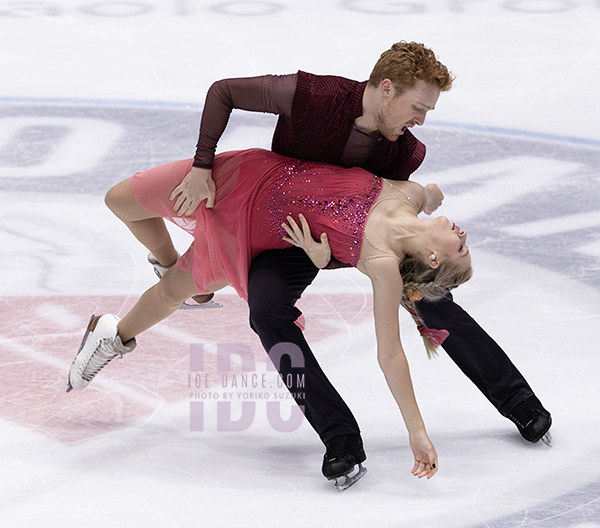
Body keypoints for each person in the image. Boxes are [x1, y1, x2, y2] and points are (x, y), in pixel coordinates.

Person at [106, 41, 552, 482]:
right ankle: (339, 436)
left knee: (430, 295)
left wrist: (334, 256)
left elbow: (395, 235)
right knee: (266, 314)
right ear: (386, 89)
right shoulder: (315, 97)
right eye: (416, 107)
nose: (419, 122)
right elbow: (224, 91)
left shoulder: (405, 153)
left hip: (341, 244)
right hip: (281, 230)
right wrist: (202, 165)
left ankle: (519, 401)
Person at [67, 147, 473, 487]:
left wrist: (416, 431)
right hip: (241, 176)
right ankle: (170, 263)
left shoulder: (383, 263)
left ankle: (111, 337)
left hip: (246, 234)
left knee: (172, 291)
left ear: (434, 258)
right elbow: (431, 193)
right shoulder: (414, 197)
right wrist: (431, 194)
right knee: (119, 200)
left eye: (460, 247)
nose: (464, 235)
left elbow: (390, 355)